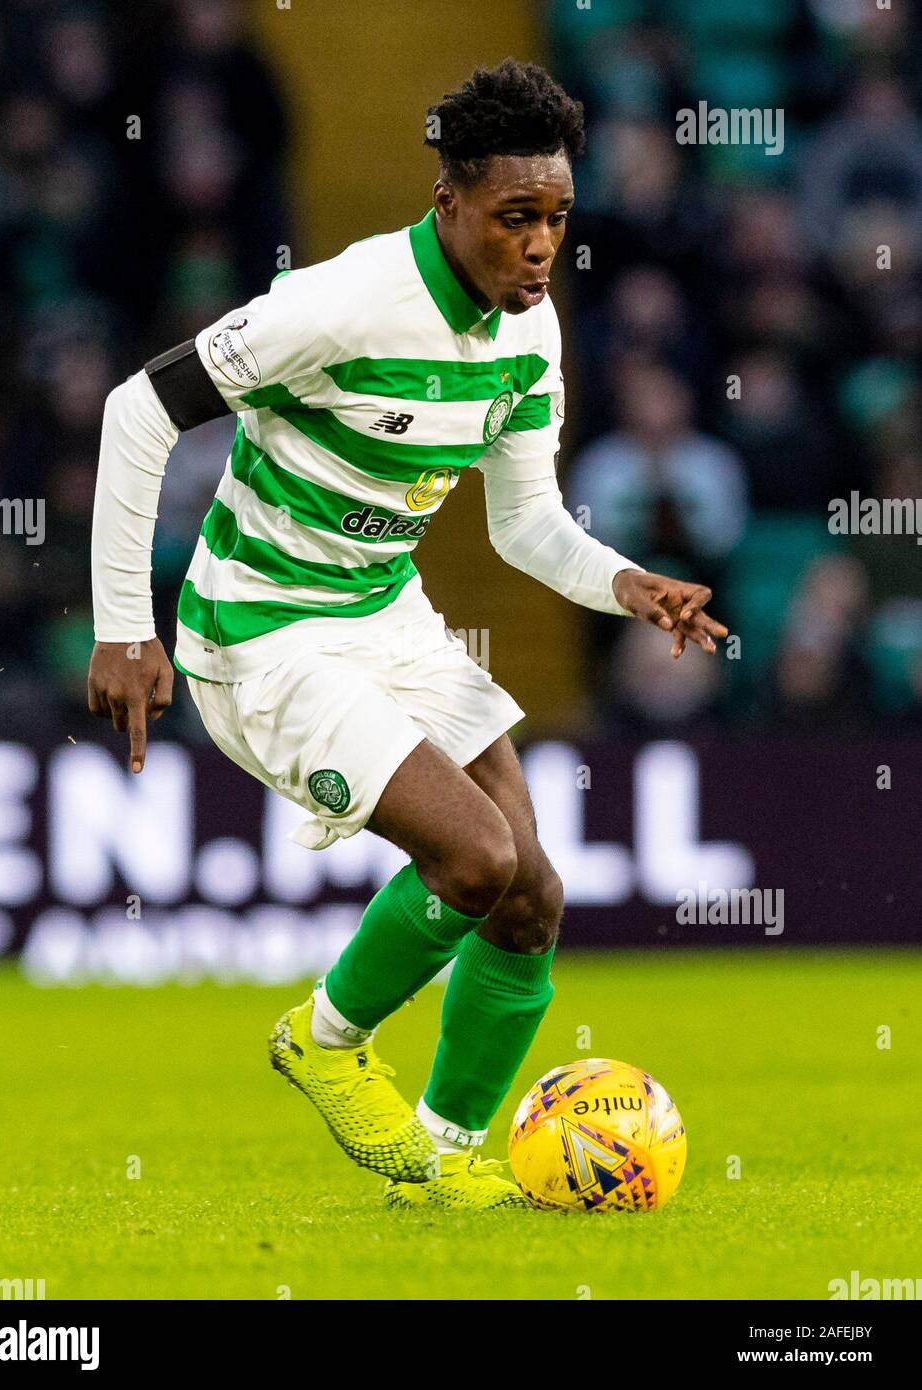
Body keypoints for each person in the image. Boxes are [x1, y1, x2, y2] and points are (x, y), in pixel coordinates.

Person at [87, 59, 726, 1210]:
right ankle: (324, 1042)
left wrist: (628, 582)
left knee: (530, 894)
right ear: (449, 205)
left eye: (556, 220)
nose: (539, 248)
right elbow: (137, 409)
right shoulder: (339, 304)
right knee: (474, 858)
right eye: (514, 219)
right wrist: (125, 627)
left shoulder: (529, 339)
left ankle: (432, 1167)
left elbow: (527, 524)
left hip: (386, 611)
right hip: (261, 629)